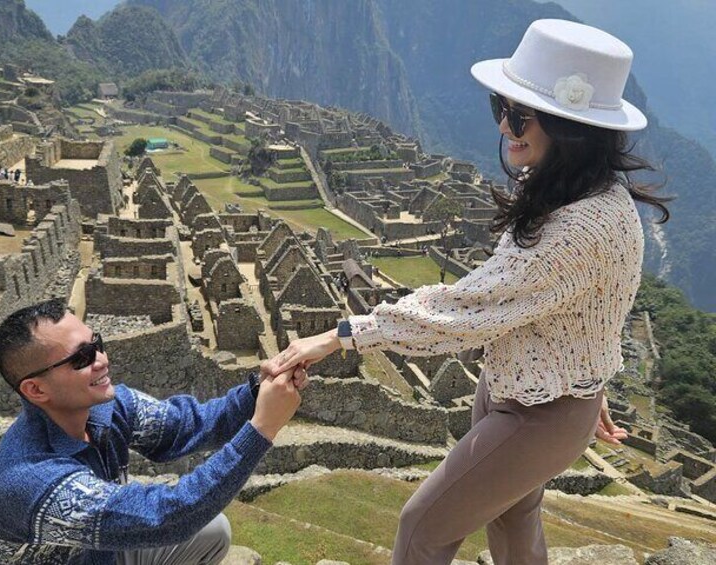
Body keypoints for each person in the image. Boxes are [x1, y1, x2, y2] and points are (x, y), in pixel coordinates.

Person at [262, 19, 670, 565]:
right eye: (500, 108)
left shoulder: (582, 227)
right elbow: (591, 308)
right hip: (527, 387)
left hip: (540, 413)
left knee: (422, 527)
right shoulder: (576, 190)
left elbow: (467, 308)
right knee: (514, 517)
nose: (505, 126)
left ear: (572, 127)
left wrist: (340, 335)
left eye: (520, 115)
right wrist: (587, 378)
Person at [0, 299, 307, 564]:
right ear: (36, 390)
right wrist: (261, 428)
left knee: (213, 531)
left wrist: (259, 389)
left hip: (95, 553)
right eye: (82, 358)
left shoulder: (105, 408)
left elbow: (188, 426)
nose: (101, 359)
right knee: (185, 524)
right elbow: (166, 516)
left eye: (96, 343)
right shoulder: (30, 481)